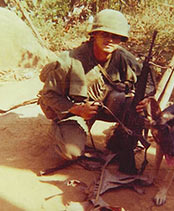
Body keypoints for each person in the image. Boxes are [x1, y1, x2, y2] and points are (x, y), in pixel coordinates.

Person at [38, 9, 155, 172]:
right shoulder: (69, 61)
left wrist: (145, 98)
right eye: (104, 34)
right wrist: (76, 109)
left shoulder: (123, 58)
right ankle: (58, 129)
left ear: (121, 39)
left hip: (107, 105)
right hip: (76, 111)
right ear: (94, 35)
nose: (110, 40)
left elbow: (147, 81)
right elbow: (48, 95)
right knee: (71, 152)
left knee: (137, 110)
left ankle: (120, 139)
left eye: (115, 36)